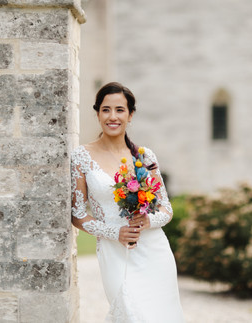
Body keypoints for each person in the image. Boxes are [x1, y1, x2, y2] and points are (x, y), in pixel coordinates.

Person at [71, 82, 185, 322]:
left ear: (130, 114)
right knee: (132, 314)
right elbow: (78, 215)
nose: (113, 116)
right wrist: (115, 232)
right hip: (114, 251)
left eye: (120, 110)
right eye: (106, 109)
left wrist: (147, 220)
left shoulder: (144, 156)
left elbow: (166, 209)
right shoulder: (81, 156)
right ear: (98, 113)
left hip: (154, 250)